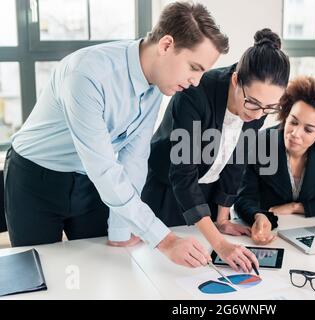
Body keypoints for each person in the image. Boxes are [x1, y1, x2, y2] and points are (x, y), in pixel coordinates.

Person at [5, 2, 229, 269]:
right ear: (166, 45)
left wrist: (121, 227)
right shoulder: (87, 75)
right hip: (35, 179)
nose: (197, 81)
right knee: (39, 271)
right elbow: (104, 168)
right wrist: (165, 240)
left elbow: (134, 156)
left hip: (89, 182)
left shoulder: (158, 81)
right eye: (194, 67)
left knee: (103, 267)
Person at [138, 29, 290, 273]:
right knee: (166, 271)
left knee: (205, 270)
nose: (257, 114)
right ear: (235, 80)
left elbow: (237, 160)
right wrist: (220, 244)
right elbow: (183, 171)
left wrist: (222, 220)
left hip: (207, 188)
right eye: (252, 103)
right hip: (168, 188)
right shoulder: (196, 93)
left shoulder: (258, 105)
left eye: (269, 108)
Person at [234, 76, 315, 245]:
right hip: (271, 234)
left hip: (313, 236)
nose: (295, 133)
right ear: (286, 115)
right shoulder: (260, 143)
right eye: (293, 122)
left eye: (308, 129)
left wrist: (299, 207)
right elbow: (243, 199)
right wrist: (258, 215)